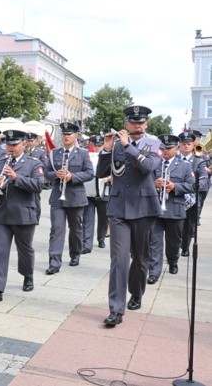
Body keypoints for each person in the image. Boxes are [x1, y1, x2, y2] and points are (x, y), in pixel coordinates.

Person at [96, 105, 162, 327]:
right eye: (133, 123)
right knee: (119, 260)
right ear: (126, 124)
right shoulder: (115, 145)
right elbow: (101, 173)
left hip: (143, 208)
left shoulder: (153, 144)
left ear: (146, 125)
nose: (137, 126)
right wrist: (106, 150)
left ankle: (136, 292)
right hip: (119, 209)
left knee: (140, 258)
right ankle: (116, 309)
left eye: (141, 123)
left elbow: (149, 167)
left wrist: (129, 146)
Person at [0, 129, 44, 304]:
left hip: (23, 213)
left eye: (14, 145)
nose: (11, 148)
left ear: (24, 144)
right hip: (2, 213)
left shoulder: (33, 163)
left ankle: (28, 275)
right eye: (8, 145)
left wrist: (16, 177)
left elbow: (38, 186)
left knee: (25, 249)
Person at [45, 122, 93, 274]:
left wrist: (72, 176)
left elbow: (89, 173)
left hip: (75, 196)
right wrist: (55, 175)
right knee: (57, 229)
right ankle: (54, 261)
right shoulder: (54, 153)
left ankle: (75, 253)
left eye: (69, 134)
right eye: (64, 134)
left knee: (76, 229)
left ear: (75, 136)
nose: (66, 137)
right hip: (58, 197)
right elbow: (46, 172)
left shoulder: (83, 153)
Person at [148, 134, 194, 283]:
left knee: (174, 242)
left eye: (169, 148)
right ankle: (154, 272)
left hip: (175, 209)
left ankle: (173, 261)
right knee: (154, 242)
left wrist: (174, 186)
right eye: (163, 148)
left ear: (177, 148)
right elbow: (145, 181)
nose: (166, 150)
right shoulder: (154, 163)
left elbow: (191, 185)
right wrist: (154, 184)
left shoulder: (185, 166)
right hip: (155, 209)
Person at [177, 131, 208, 257]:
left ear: (192, 145)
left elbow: (204, 181)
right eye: (183, 144)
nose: (186, 146)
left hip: (192, 200)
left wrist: (191, 185)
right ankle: (174, 250)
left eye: (188, 144)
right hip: (176, 197)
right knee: (176, 227)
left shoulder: (198, 161)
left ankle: (185, 247)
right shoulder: (174, 160)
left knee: (189, 226)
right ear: (179, 145)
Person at [82, 135, 110, 252]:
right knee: (87, 218)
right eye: (95, 145)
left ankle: (101, 238)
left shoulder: (109, 156)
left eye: (100, 145)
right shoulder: (87, 156)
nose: (97, 148)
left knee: (103, 219)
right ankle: (87, 244)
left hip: (104, 191)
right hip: (89, 192)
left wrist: (109, 178)